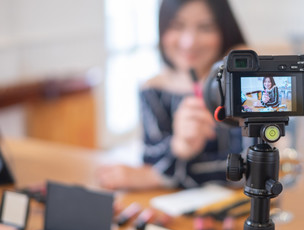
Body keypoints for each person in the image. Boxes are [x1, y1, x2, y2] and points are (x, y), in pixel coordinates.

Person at [97, 0, 247, 190]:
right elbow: (151, 159)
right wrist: (180, 146)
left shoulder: (241, 87)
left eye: (205, 27)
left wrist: (157, 177)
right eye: (177, 26)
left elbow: (248, 169)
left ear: (224, 31)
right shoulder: (152, 89)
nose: (189, 42)